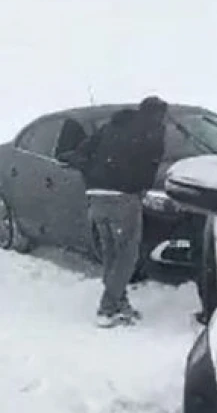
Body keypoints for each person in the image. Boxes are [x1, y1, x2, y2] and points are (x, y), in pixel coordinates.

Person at [61, 96, 168, 328]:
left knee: (111, 254)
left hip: (96, 197)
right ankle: (107, 308)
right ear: (158, 114)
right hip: (123, 198)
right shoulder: (153, 132)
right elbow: (150, 168)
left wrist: (94, 175)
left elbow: (82, 151)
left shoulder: (112, 126)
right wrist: (138, 187)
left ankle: (120, 303)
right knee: (127, 256)